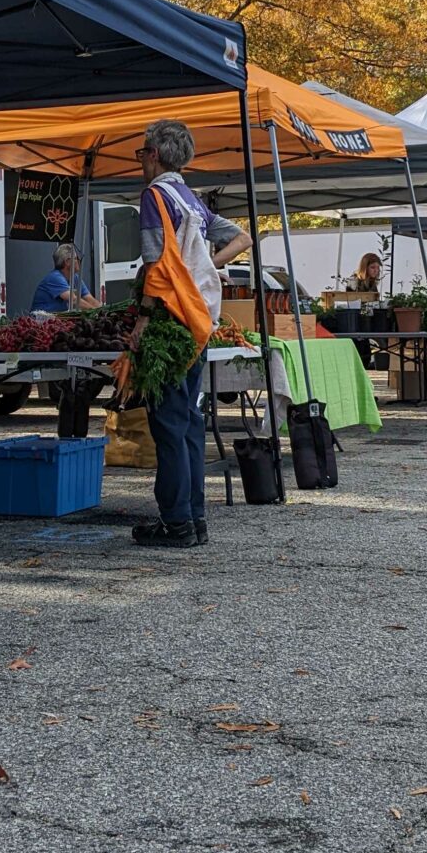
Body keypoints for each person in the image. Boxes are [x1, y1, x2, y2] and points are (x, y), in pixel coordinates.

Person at [127, 120, 250, 549]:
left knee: (168, 423)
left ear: (155, 154)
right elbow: (242, 238)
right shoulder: (192, 199)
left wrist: (143, 318)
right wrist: (206, 267)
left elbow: (157, 265)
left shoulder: (155, 195)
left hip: (170, 317)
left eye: (142, 152)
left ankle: (176, 522)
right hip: (201, 319)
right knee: (190, 422)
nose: (139, 159)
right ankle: (195, 518)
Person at [30, 243, 100, 313]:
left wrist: (102, 311)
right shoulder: (55, 277)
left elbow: (89, 299)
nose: (79, 261)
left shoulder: (75, 278)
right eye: (76, 258)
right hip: (41, 320)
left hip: (57, 319)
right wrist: (95, 312)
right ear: (67, 262)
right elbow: (74, 300)